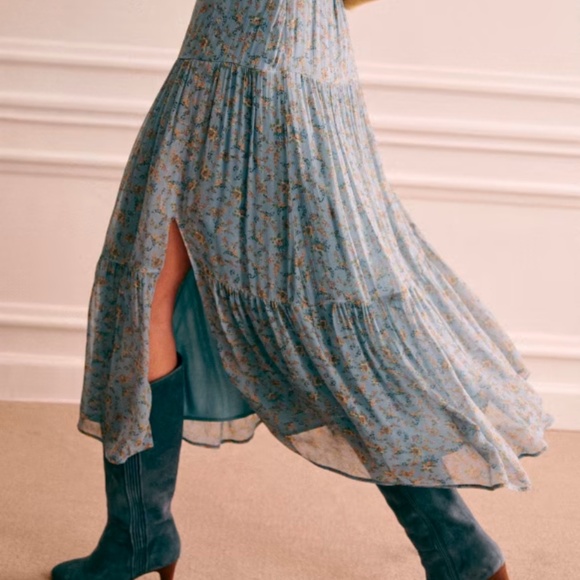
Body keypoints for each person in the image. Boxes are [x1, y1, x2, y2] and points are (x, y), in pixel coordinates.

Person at [51, 1, 555, 579]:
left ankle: (139, 536)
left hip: (238, 75)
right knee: (176, 295)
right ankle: (460, 552)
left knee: (154, 294)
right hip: (300, 69)